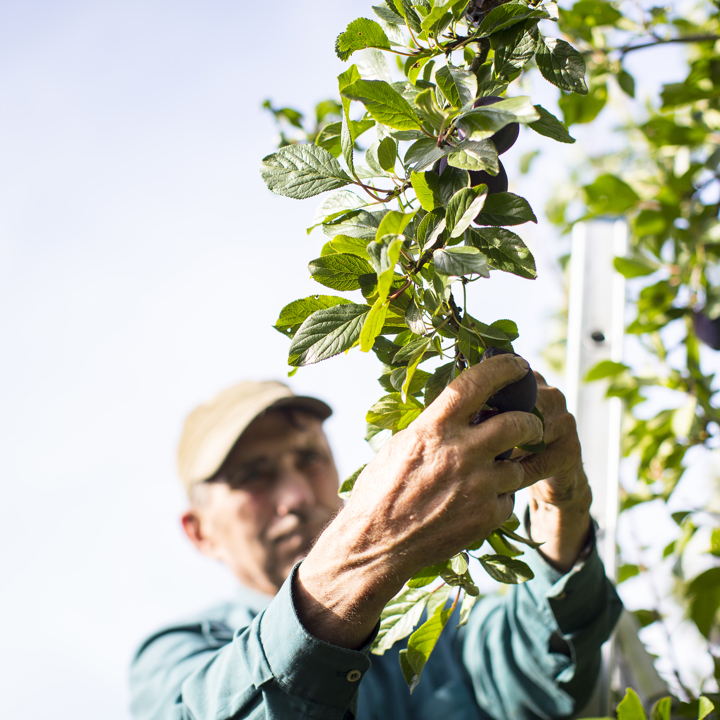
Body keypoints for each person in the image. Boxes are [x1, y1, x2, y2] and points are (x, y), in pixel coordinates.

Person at [130, 355, 622, 720]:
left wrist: (562, 509)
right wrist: (370, 551)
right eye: (254, 476)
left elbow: (536, 676)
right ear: (200, 533)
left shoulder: (430, 623)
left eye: (310, 459)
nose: (298, 495)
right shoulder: (178, 653)